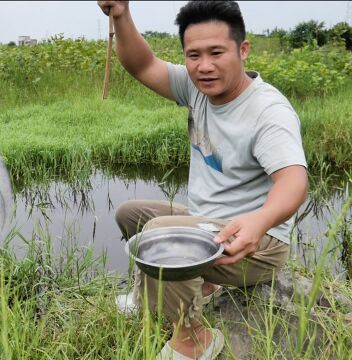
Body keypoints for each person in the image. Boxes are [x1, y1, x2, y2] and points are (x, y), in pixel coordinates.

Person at [98, 1, 308, 359]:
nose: (205, 66)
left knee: (156, 234)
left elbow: (294, 180)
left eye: (217, 52)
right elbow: (142, 63)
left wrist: (260, 221)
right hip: (208, 222)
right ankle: (188, 286)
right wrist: (121, 13)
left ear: (243, 50)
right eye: (193, 55)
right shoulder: (197, 88)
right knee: (131, 214)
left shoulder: (268, 111)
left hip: (257, 241)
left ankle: (195, 340)